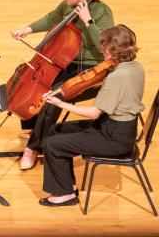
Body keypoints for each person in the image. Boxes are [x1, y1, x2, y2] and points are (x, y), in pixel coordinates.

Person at [10, 0, 114, 170]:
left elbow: (105, 46)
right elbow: (51, 18)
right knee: (30, 79)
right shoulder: (68, 5)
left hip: (92, 67)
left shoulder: (102, 12)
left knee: (52, 97)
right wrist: (27, 29)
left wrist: (87, 20)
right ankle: (32, 126)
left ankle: (33, 148)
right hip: (66, 61)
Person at [38, 24, 144, 206]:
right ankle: (67, 185)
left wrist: (60, 103)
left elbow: (94, 113)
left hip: (114, 138)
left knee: (52, 144)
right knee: (57, 130)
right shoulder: (135, 67)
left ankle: (66, 195)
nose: (101, 50)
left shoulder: (117, 76)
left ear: (115, 50)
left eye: (105, 47)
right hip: (121, 128)